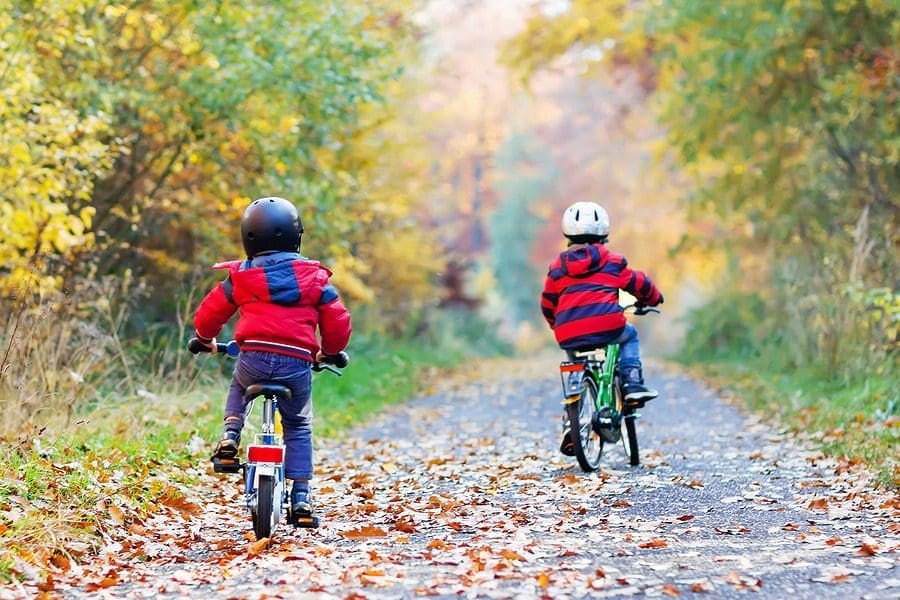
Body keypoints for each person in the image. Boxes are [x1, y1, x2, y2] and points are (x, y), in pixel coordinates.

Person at [192, 196, 351, 519]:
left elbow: (210, 313)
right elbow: (337, 321)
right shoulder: (314, 279)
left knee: (239, 385)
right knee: (297, 424)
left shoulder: (240, 277)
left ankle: (230, 435)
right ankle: (302, 496)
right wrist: (330, 352)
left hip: (253, 358)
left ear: (248, 237)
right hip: (296, 364)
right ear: (296, 236)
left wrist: (205, 339)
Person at [540, 201, 663, 453]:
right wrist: (653, 297)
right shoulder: (611, 262)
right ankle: (631, 384)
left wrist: (558, 325)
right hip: (608, 325)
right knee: (629, 336)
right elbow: (638, 283)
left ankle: (570, 424)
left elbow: (547, 303)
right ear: (603, 234)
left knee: (574, 367)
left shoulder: (556, 269)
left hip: (568, 332)